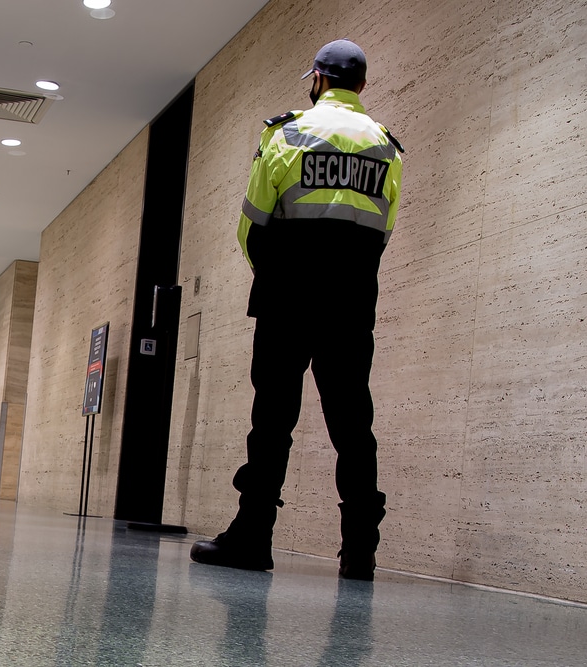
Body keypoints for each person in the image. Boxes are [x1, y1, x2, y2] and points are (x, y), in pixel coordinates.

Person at [190, 39, 403, 580]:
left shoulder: (286, 133)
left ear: (317, 79)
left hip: (287, 297)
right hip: (352, 302)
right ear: (361, 86)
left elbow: (252, 223)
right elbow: (383, 231)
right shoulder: (386, 148)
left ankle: (253, 536)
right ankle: (360, 551)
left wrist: (273, 272)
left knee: (273, 418)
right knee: (353, 423)